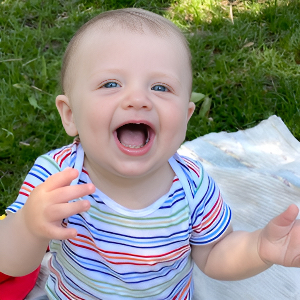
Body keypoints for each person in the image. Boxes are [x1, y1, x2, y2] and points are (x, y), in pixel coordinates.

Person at [0, 8, 300, 300]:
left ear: (185, 116)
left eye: (160, 86)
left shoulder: (192, 186)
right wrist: (28, 226)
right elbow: (12, 262)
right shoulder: (57, 177)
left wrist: (260, 247)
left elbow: (214, 255)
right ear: (70, 115)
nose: (138, 99)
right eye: (111, 84)